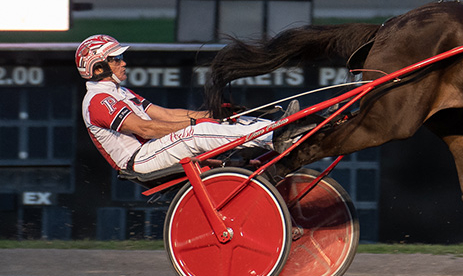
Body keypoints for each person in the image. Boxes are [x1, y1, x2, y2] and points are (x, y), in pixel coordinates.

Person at [76, 34, 298, 175]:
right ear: (97, 68)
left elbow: (164, 114)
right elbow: (147, 128)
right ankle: (273, 137)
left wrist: (213, 114)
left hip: (152, 149)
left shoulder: (119, 92)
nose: (123, 62)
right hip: (140, 159)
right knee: (197, 132)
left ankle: (284, 127)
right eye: (116, 59)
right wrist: (197, 122)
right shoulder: (98, 101)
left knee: (224, 119)